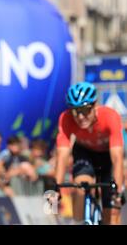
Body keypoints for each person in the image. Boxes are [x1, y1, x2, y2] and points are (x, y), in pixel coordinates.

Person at [55, 82, 125, 225]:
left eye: (85, 110)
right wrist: (56, 188)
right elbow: (62, 155)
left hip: (108, 157)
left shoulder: (110, 117)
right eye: (76, 111)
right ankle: (79, 221)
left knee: (111, 210)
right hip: (85, 153)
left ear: (95, 106)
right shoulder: (65, 118)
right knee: (81, 186)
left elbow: (117, 158)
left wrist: (117, 189)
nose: (80, 117)